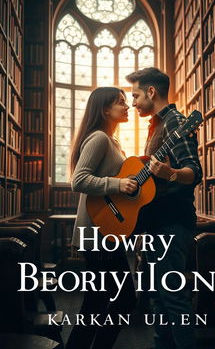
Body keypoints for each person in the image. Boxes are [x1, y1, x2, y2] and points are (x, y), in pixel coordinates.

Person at [126, 67, 203, 349]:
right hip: (157, 224)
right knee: (158, 297)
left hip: (173, 223)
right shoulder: (157, 125)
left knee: (173, 298)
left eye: (135, 96)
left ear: (151, 92)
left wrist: (170, 173)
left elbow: (194, 171)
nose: (133, 103)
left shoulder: (175, 123)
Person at [66, 87, 137, 349]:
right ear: (105, 110)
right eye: (120, 103)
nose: (127, 106)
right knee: (118, 299)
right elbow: (79, 180)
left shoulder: (112, 141)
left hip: (105, 231)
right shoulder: (98, 138)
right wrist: (118, 185)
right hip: (97, 233)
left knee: (98, 301)